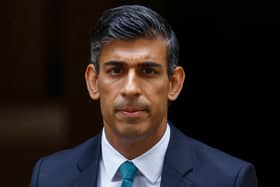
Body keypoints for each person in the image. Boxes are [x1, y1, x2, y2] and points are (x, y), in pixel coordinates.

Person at [30, 5, 257, 187]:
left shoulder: (227, 179)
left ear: (174, 83)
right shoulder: (50, 177)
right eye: (116, 70)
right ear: (93, 81)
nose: (130, 88)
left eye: (148, 71)